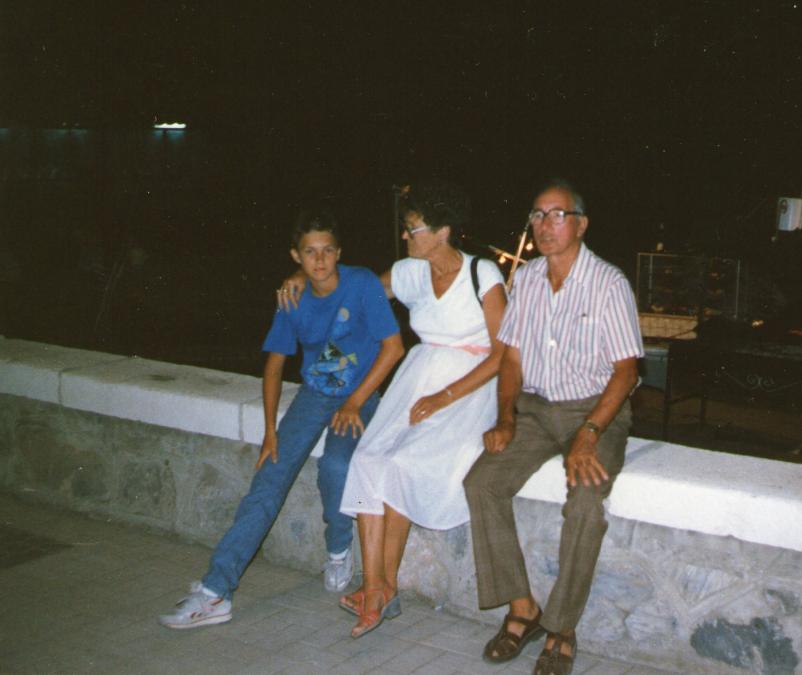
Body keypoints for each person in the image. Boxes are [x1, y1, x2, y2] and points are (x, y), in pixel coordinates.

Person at [159, 201, 403, 629]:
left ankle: (338, 548)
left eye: (327, 250)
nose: (320, 260)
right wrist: (270, 431)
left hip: (360, 398)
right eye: (310, 252)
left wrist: (353, 400)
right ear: (296, 256)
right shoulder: (291, 298)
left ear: (339, 252)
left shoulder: (362, 284)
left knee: (337, 465)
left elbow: (393, 348)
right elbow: (273, 366)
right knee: (267, 481)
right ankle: (217, 592)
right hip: (313, 396)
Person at [280, 180, 507, 639]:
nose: (406, 237)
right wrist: (308, 277)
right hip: (418, 378)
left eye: (414, 229)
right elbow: (354, 289)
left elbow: (504, 353)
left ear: (443, 231)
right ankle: (376, 587)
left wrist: (446, 397)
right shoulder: (410, 271)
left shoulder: (483, 275)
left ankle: (382, 589)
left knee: (403, 463)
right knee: (368, 458)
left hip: (468, 387)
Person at [463, 180, 643, 675]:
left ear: (581, 224)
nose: (545, 225)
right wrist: (505, 418)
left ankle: (561, 627)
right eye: (537, 215)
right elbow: (513, 358)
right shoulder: (527, 278)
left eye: (557, 215)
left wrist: (588, 435)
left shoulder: (609, 283)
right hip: (536, 410)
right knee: (482, 483)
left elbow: (627, 371)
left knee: (585, 502)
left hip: (594, 410)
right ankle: (523, 609)